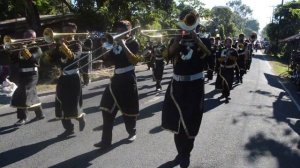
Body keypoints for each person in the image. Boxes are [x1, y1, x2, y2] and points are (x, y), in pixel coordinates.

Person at [161, 9, 211, 168]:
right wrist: (176, 41)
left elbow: (210, 58)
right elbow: (166, 57)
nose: (188, 24)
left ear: (196, 22)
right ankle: (180, 152)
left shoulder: (204, 40)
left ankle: (185, 153)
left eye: (190, 21)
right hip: (177, 86)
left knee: (190, 121)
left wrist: (198, 41)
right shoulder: (176, 39)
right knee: (176, 122)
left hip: (194, 87)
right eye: (185, 20)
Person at [94, 20, 141, 149]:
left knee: (128, 110)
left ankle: (132, 131)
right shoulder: (113, 45)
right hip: (116, 79)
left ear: (129, 31)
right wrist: (105, 51)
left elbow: (134, 61)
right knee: (106, 108)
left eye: (122, 29)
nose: (119, 32)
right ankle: (105, 141)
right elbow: (109, 64)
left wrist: (123, 44)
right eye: (118, 30)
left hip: (128, 79)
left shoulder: (134, 43)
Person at [44, 22, 86, 137]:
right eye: (63, 30)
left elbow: (73, 57)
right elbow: (50, 61)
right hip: (63, 77)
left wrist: (63, 46)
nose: (64, 33)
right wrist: (51, 50)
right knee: (60, 103)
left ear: (74, 32)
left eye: (68, 30)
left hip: (74, 77)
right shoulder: (58, 45)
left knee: (73, 104)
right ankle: (69, 129)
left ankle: (80, 117)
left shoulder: (77, 44)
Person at [10, 29, 45, 126]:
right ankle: (40, 114)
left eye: (27, 37)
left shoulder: (37, 48)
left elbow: (32, 59)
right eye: (24, 37)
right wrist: (13, 50)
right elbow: (14, 61)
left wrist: (24, 49)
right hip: (22, 74)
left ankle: (22, 118)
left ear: (34, 38)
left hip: (32, 75)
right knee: (32, 94)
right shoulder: (22, 48)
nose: (24, 39)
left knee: (22, 93)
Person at [217, 37, 238, 103]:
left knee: (229, 82)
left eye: (229, 42)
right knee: (223, 82)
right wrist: (224, 58)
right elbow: (218, 59)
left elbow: (235, 59)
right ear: (225, 43)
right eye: (227, 42)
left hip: (230, 68)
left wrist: (229, 56)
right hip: (223, 68)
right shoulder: (221, 49)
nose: (228, 43)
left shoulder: (234, 50)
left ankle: (226, 94)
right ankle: (225, 94)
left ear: (231, 43)